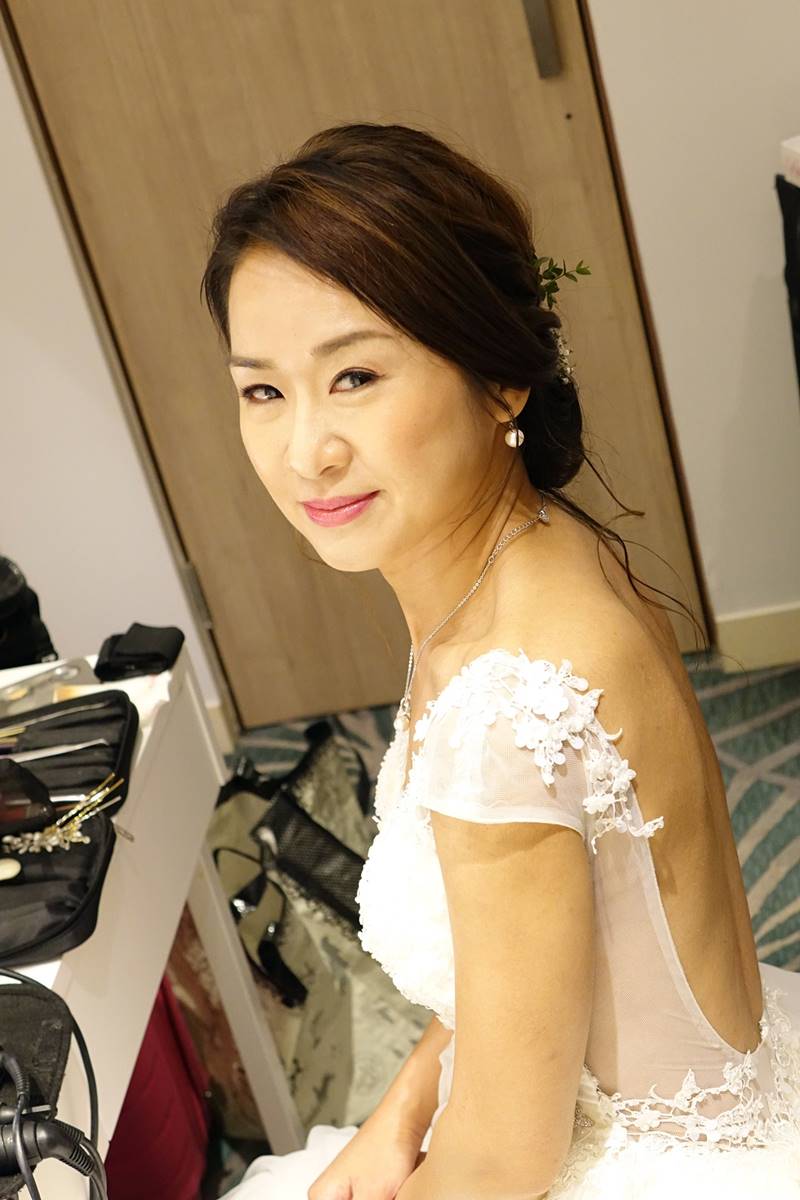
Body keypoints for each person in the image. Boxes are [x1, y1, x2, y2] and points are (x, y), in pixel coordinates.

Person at [201, 122, 800, 1198]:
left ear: (500, 381)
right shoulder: (546, 550)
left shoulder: (507, 703)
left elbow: (499, 1168)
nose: (304, 452)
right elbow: (540, 956)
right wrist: (403, 1109)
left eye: (355, 377)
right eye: (264, 390)